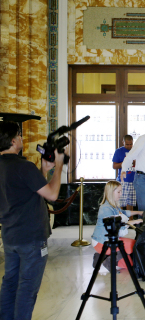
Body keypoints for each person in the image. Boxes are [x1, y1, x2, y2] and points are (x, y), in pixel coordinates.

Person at [0, 121, 65, 320]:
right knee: (27, 288)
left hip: (10, 236)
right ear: (12, 140)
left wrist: (44, 170)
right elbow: (52, 194)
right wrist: (59, 166)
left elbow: (28, 190)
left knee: (9, 283)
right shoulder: (23, 166)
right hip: (31, 238)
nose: (21, 138)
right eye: (19, 135)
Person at [91, 181, 143, 273]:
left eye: (121, 191)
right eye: (118, 192)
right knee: (134, 245)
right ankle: (108, 260)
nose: (121, 194)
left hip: (106, 240)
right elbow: (115, 226)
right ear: (111, 192)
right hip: (101, 242)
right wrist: (133, 222)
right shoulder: (106, 209)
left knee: (130, 264)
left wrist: (139, 212)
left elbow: (124, 213)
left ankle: (101, 257)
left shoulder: (113, 206)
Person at [112, 134, 136, 210]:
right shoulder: (119, 151)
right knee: (120, 204)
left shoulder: (136, 151)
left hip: (134, 181)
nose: (129, 146)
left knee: (130, 204)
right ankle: (121, 221)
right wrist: (125, 163)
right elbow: (114, 166)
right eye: (127, 144)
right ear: (123, 142)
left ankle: (130, 221)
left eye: (131, 144)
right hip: (122, 181)